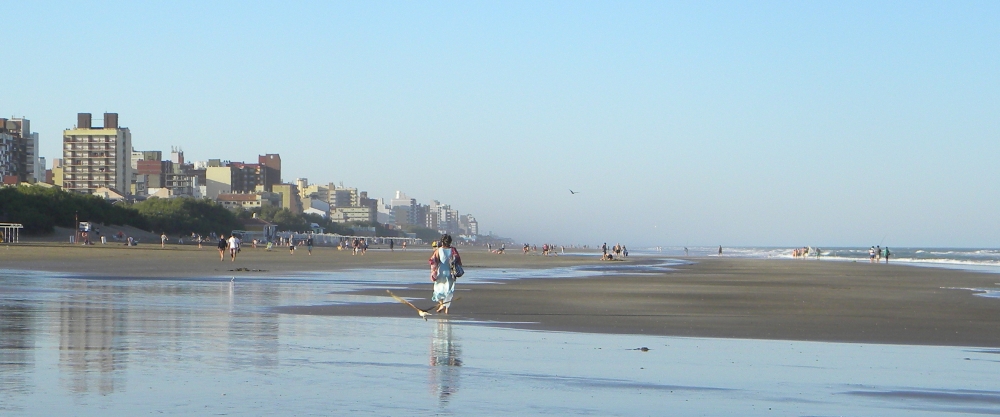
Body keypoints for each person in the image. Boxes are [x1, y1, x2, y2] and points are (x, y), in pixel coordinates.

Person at [429, 234, 463, 314]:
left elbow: (433, 261)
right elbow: (459, 262)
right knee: (449, 290)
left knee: (438, 290)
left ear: (442, 241)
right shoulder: (453, 250)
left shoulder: (438, 250)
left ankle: (442, 305)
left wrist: (433, 271)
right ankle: (446, 308)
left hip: (441, 272)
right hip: (451, 273)